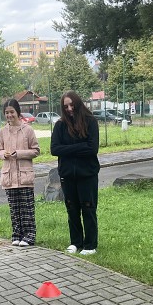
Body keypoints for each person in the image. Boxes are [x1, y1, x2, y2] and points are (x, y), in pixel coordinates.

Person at [50, 91, 100, 255]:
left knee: (88, 208)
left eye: (72, 105)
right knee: (72, 209)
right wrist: (80, 147)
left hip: (87, 174)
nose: (70, 109)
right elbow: (54, 149)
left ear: (78, 103)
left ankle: (90, 244)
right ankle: (75, 242)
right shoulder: (60, 125)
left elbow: (92, 148)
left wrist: (67, 150)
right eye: (66, 106)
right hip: (67, 175)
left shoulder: (91, 122)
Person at [0, 99, 40, 247]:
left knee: (27, 207)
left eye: (12, 112)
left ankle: (29, 236)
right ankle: (17, 235)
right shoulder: (2, 131)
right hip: (9, 176)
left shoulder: (28, 130)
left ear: (18, 112)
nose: (9, 115)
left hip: (24, 175)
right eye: (6, 112)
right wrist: (4, 154)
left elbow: (36, 150)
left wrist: (18, 153)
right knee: (14, 208)